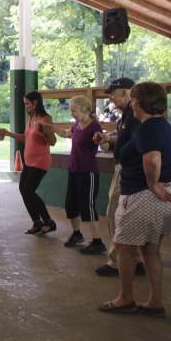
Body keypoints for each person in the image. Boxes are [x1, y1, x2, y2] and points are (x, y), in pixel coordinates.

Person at [98, 82, 171, 318]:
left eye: (134, 100)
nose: (132, 103)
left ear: (141, 102)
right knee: (150, 249)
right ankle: (155, 301)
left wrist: (152, 184)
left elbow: (153, 160)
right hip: (169, 190)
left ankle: (125, 298)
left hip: (143, 196)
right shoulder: (162, 125)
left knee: (124, 247)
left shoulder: (147, 128)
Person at [92, 78, 145, 277]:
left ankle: (116, 262)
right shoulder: (128, 115)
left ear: (124, 93)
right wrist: (108, 140)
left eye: (113, 95)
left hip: (128, 169)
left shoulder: (134, 116)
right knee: (125, 217)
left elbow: (136, 145)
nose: (112, 100)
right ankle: (137, 260)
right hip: (127, 167)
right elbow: (127, 140)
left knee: (115, 215)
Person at [42, 96, 105, 254]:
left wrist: (100, 140)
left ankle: (97, 242)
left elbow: (103, 144)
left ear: (83, 109)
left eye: (73, 111)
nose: (72, 114)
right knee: (71, 205)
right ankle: (77, 234)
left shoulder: (94, 125)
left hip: (88, 171)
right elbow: (66, 133)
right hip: (74, 169)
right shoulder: (77, 125)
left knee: (87, 206)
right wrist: (50, 127)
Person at [1, 91, 57, 235]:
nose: (25, 106)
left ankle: (49, 222)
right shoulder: (31, 117)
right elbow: (27, 138)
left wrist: (44, 131)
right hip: (29, 161)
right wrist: (9, 134)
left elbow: (53, 142)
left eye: (27, 103)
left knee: (29, 191)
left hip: (41, 161)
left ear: (35, 103)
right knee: (23, 189)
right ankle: (37, 222)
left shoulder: (46, 118)